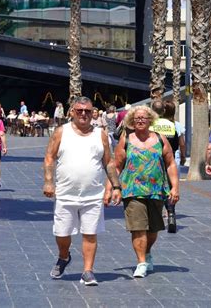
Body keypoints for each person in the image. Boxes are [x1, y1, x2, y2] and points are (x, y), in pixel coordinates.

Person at [43, 96, 122, 286]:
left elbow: (109, 162)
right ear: (72, 112)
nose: (84, 114)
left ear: (93, 112)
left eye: (88, 111)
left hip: (93, 194)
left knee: (90, 233)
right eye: (80, 111)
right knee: (62, 234)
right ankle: (64, 257)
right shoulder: (62, 132)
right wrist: (48, 182)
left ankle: (88, 271)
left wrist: (116, 186)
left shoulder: (101, 134)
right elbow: (49, 158)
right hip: (65, 193)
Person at [114, 105, 179, 278]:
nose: (140, 120)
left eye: (143, 118)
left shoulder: (160, 139)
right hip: (132, 190)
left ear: (150, 120)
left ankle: (147, 252)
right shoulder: (126, 139)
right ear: (131, 121)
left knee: (153, 229)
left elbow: (170, 163)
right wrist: (113, 188)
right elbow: (117, 166)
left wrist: (175, 187)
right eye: (137, 118)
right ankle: (141, 262)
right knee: (138, 228)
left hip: (156, 190)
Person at [150, 100, 182, 233]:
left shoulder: (151, 125)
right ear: (163, 111)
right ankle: (171, 215)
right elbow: (175, 144)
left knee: (154, 189)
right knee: (170, 189)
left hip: (154, 162)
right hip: (169, 160)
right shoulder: (171, 125)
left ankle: (154, 217)